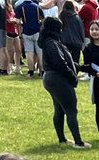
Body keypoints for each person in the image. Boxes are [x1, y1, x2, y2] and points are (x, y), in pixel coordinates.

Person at [39, 17, 90, 148]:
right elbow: (61, 63)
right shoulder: (53, 43)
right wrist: (72, 76)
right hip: (58, 79)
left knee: (59, 109)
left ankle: (62, 139)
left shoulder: (49, 42)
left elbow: (66, 61)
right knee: (71, 109)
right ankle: (79, 142)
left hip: (50, 78)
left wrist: (82, 67)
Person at [18, 0, 43, 75]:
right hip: (37, 32)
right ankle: (42, 71)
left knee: (29, 53)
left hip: (26, 32)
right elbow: (42, 19)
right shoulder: (37, 7)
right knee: (40, 53)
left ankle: (30, 71)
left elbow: (17, 20)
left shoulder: (20, 7)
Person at [59, 0, 85, 68]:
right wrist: (82, 40)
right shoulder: (77, 17)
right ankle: (75, 73)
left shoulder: (61, 17)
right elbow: (81, 29)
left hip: (65, 41)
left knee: (66, 59)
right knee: (75, 60)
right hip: (76, 42)